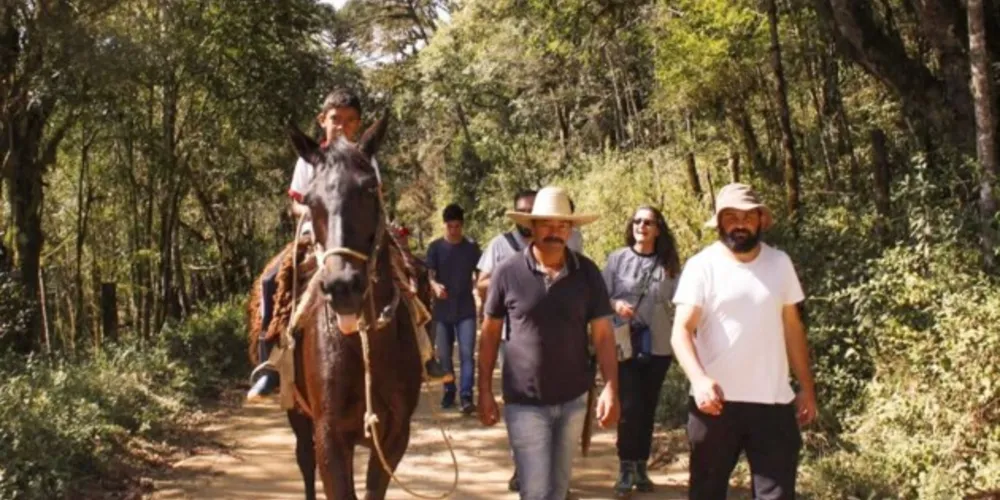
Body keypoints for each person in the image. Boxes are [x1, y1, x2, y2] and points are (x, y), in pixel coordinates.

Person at [248, 88, 448, 400]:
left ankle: (425, 351)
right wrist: (317, 212)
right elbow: (296, 205)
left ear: (359, 125)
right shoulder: (309, 159)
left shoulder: (365, 157)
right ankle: (270, 362)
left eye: (350, 121)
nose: (342, 126)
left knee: (413, 272)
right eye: (335, 119)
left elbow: (376, 200)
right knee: (273, 278)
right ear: (322, 120)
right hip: (317, 237)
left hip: (360, 239)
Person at [671, 183, 818, 500]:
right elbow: (681, 330)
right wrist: (698, 380)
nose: (739, 223)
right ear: (720, 223)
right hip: (715, 405)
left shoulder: (780, 264)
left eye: (747, 216)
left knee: (777, 496)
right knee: (706, 493)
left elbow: (793, 328)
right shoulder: (702, 266)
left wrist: (806, 387)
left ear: (761, 221)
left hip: (774, 403)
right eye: (731, 217)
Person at [478, 186, 620, 500]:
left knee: (558, 490)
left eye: (562, 225)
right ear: (532, 226)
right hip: (524, 402)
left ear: (571, 230)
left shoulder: (587, 273)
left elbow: (603, 335)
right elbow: (489, 336)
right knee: (536, 491)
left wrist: (611, 387)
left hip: (573, 401)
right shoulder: (507, 273)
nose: (554, 232)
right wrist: (484, 390)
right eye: (546, 224)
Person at [602, 206, 681, 497]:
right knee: (629, 407)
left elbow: (681, 300)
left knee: (647, 408)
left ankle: (641, 466)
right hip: (624, 344)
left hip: (659, 345)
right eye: (637, 221)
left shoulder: (669, 264)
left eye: (648, 222)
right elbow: (598, 294)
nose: (641, 226)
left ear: (658, 229)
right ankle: (625, 467)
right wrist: (615, 305)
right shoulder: (617, 260)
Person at [426, 204, 482, 413]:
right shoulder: (435, 248)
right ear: (444, 226)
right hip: (442, 311)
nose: (454, 230)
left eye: (457, 226)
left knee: (467, 354)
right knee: (445, 355)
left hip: (465, 309)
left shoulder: (471, 248)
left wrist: (479, 292)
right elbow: (430, 275)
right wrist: (435, 286)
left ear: (462, 225)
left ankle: (466, 396)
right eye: (450, 226)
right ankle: (449, 390)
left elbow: (480, 274)